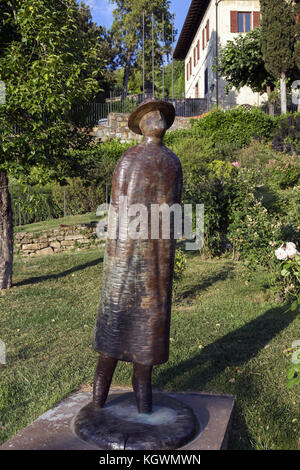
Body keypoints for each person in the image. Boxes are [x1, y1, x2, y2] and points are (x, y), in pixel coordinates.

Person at [92, 99, 182, 414]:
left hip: (158, 258)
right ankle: (97, 404)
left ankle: (144, 404)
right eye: (149, 116)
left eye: (160, 115)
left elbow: (175, 209)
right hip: (126, 254)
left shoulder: (172, 162)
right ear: (140, 125)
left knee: (147, 342)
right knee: (112, 336)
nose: (156, 119)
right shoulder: (128, 160)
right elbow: (117, 208)